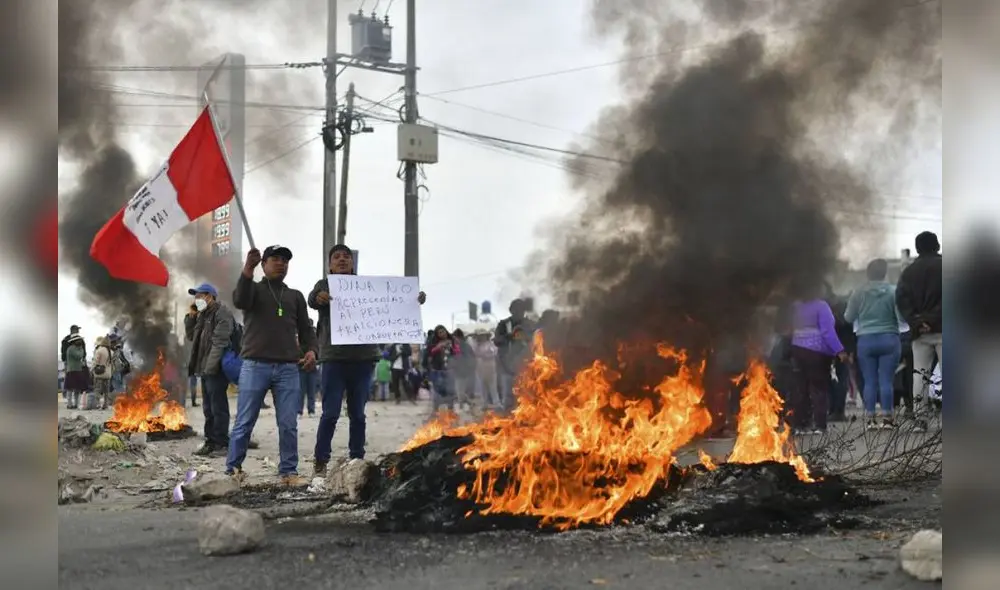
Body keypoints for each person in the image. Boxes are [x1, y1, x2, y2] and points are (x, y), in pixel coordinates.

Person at [308, 244, 425, 474]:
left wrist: (414, 299)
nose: (342, 260)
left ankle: (357, 459)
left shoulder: (367, 288)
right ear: (329, 264)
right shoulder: (324, 285)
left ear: (352, 263)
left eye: (346, 257)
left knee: (358, 414)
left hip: (363, 360)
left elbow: (396, 304)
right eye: (337, 257)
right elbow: (312, 300)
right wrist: (318, 297)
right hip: (334, 360)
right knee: (330, 413)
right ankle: (321, 460)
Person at [227, 245, 317, 486]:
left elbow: (306, 329)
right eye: (275, 259)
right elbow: (239, 299)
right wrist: (248, 268)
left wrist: (311, 350)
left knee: (288, 424)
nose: (281, 263)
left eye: (285, 260)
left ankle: (288, 471)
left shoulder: (295, 296)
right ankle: (233, 469)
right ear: (264, 264)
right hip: (255, 365)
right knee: (245, 421)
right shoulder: (254, 290)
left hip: (288, 368)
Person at [845, 259, 904, 430]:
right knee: (886, 381)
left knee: (869, 381)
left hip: (866, 340)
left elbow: (848, 317)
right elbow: (900, 317)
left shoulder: (858, 292)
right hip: (889, 338)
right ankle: (887, 418)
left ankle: (870, 419)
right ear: (885, 273)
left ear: (867, 273)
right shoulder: (893, 292)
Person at [184, 282, 236, 457]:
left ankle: (222, 443)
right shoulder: (202, 316)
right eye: (196, 296)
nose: (197, 299)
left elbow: (219, 344)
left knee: (218, 406)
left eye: (200, 295)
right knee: (208, 407)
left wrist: (210, 368)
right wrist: (190, 317)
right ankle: (211, 441)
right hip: (205, 368)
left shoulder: (222, 314)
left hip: (217, 368)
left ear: (210, 296)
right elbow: (192, 336)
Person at [789, 281, 847, 434]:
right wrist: (839, 350)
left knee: (801, 388)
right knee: (819, 388)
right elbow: (828, 332)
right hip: (816, 353)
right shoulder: (821, 306)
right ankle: (819, 424)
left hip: (797, 349)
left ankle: (800, 424)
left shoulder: (795, 307)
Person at [896, 231, 942, 411]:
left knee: (920, 374)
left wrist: (916, 321)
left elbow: (901, 299)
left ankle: (920, 418)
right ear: (937, 246)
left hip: (919, 332)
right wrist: (932, 319)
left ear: (917, 248)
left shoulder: (908, 272)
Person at [494, 299, 534, 411]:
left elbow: (537, 340)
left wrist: (526, 337)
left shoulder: (530, 324)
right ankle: (509, 421)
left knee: (527, 395)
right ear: (511, 311)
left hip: (526, 366)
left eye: (521, 310)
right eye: (516, 310)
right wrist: (510, 336)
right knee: (508, 396)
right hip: (506, 365)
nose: (518, 312)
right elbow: (497, 341)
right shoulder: (503, 324)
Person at [427, 325, 459, 413]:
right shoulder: (434, 343)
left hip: (450, 370)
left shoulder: (452, 341)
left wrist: (452, 347)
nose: (442, 334)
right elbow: (430, 352)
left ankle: (450, 410)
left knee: (450, 391)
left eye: (443, 331)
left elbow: (457, 352)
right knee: (437, 391)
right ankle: (435, 411)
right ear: (437, 335)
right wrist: (439, 347)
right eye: (440, 333)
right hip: (437, 370)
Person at [472, 329, 499, 411]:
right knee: (483, 386)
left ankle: (496, 403)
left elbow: (494, 352)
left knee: (492, 385)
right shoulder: (477, 345)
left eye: (483, 335)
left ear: (486, 336)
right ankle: (485, 403)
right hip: (481, 367)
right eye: (480, 336)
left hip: (490, 365)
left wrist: (484, 355)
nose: (482, 337)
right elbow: (475, 353)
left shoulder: (491, 344)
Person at [450, 328, 477, 410]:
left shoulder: (465, 346)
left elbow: (471, 359)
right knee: (460, 391)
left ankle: (465, 404)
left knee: (461, 391)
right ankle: (464, 404)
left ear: (459, 337)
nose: (454, 339)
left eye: (455, 337)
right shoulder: (455, 346)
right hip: (459, 372)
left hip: (464, 372)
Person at [298, 318, 319, 417]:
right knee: (300, 391)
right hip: (300, 368)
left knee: (311, 391)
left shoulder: (314, 339)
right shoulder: (297, 338)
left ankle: (311, 410)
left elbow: (318, 353)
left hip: (312, 369)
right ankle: (299, 411)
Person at [63, 332, 88, 410]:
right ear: (74, 341)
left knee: (77, 389)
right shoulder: (71, 349)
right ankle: (69, 404)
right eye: (79, 340)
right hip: (72, 371)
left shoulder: (75, 348)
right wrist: (82, 349)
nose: (80, 342)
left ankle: (75, 404)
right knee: (70, 389)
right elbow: (79, 356)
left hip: (77, 370)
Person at [91, 335, 115, 410]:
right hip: (108, 374)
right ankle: (105, 405)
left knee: (97, 389)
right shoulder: (111, 352)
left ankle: (97, 404)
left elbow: (95, 361)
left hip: (99, 373)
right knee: (106, 391)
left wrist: (91, 369)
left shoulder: (100, 350)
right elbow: (112, 364)